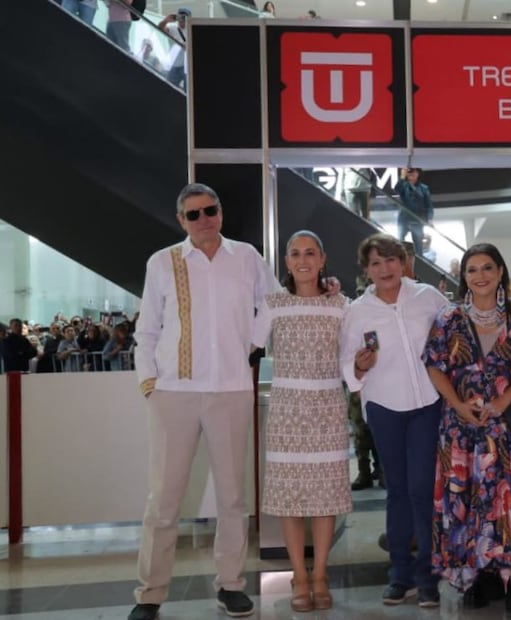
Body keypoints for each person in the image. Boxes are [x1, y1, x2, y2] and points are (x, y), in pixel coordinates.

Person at [128, 183, 277, 620]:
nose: (203, 219)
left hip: (230, 389)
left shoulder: (247, 257)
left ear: (221, 212)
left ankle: (231, 584)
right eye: (193, 214)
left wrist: (249, 344)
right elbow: (147, 330)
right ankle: (150, 593)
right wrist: (149, 384)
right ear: (181, 220)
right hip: (173, 393)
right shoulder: (163, 262)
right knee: (163, 499)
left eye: (209, 210)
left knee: (232, 496)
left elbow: (271, 304)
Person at [423, 243, 511, 619]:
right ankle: (477, 574)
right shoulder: (448, 319)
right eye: (472, 269)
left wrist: (501, 402)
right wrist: (460, 406)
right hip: (460, 431)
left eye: (487, 268)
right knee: (467, 501)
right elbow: (434, 366)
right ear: (463, 276)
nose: (480, 275)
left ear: (500, 272)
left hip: (508, 427)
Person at [339, 233, 448, 608]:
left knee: (422, 489)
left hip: (427, 405)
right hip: (384, 407)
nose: (384, 269)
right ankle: (400, 574)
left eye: (390, 260)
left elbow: (455, 338)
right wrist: (357, 365)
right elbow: (346, 362)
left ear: (403, 262)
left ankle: (428, 576)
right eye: (375, 263)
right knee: (397, 491)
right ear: (366, 270)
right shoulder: (357, 310)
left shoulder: (428, 297)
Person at [251, 230, 351, 612]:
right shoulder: (273, 303)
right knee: (290, 500)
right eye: (295, 254)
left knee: (325, 499)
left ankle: (321, 573)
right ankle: (298, 574)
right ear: (287, 262)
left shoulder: (341, 304)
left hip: (327, 407)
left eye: (310, 252)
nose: (303, 259)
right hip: (287, 411)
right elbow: (250, 343)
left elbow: (351, 354)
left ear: (322, 258)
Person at [395, 167, 434, 250]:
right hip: (404, 218)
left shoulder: (423, 188)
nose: (412, 174)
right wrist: (402, 176)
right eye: (410, 172)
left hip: (418, 219)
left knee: (418, 243)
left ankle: (419, 261)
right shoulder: (403, 186)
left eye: (414, 172)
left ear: (418, 174)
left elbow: (429, 205)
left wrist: (430, 219)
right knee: (399, 241)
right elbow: (397, 189)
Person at [157, 8, 189, 88]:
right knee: (169, 87)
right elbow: (160, 28)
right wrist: (166, 20)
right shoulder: (172, 27)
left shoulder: (191, 29)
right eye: (180, 17)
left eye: (185, 17)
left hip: (187, 66)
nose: (182, 20)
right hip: (174, 64)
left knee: (188, 90)